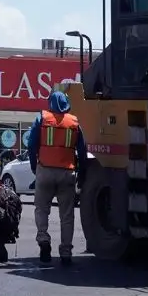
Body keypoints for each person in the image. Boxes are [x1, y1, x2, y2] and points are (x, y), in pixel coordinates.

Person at [25, 89, 88, 265]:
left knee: (41, 209)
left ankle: (44, 240)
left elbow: (31, 145)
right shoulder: (74, 123)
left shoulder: (42, 119)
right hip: (67, 173)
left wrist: (34, 168)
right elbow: (83, 152)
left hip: (44, 171)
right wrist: (81, 174)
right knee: (67, 215)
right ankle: (66, 252)